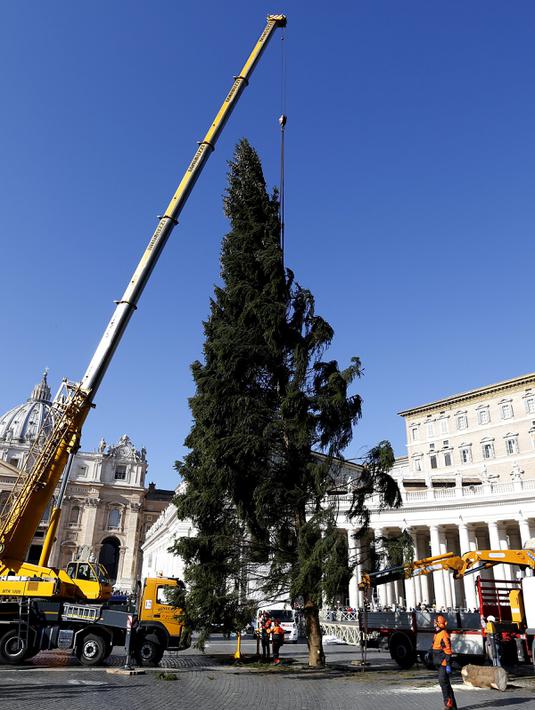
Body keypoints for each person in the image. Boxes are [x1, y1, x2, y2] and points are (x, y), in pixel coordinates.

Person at [432, 614, 457, 709]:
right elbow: (435, 646)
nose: (433, 623)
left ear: (439, 623)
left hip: (443, 663)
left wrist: (448, 664)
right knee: (445, 683)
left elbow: (448, 650)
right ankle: (452, 705)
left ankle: (448, 704)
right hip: (439, 662)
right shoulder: (437, 633)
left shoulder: (443, 634)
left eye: (435, 622)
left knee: (443, 682)